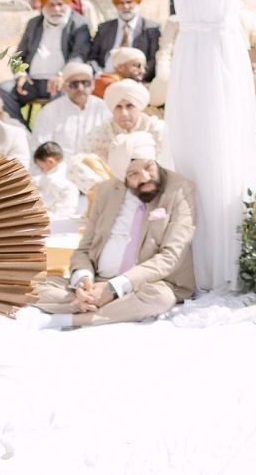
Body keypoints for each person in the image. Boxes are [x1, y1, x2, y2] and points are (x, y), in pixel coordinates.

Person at [29, 134, 197, 329]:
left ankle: (69, 319)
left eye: (148, 167)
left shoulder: (180, 189)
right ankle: (97, 303)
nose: (144, 177)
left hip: (145, 284)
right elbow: (85, 248)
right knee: (29, 287)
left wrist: (115, 287)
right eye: (133, 174)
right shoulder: (107, 190)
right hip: (98, 281)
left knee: (160, 298)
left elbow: (171, 256)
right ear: (123, 178)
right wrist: (83, 280)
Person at [0, 0, 95, 123]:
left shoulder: (79, 24)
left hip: (62, 83)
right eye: (51, 5)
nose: (56, 9)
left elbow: (79, 55)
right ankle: (22, 131)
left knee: (68, 95)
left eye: (60, 4)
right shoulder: (34, 24)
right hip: (31, 82)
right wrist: (20, 75)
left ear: (67, 4)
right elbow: (18, 56)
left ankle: (51, 136)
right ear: (43, 6)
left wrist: (62, 75)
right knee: (2, 90)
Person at [28, 61, 113, 159]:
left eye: (86, 83)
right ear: (64, 87)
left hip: (96, 167)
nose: (80, 88)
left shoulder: (103, 108)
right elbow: (39, 146)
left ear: (93, 85)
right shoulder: (50, 111)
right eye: (74, 84)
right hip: (59, 169)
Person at [90, 0, 160, 81]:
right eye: (120, 3)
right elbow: (92, 57)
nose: (125, 6)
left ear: (137, 2)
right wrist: (99, 75)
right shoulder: (104, 28)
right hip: (106, 76)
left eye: (129, 2)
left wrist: (138, 77)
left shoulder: (151, 28)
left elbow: (154, 60)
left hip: (136, 79)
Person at [93, 78, 166, 163]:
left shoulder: (158, 129)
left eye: (129, 106)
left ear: (140, 107)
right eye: (118, 107)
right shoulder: (100, 133)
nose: (124, 113)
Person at [27, 140, 83, 222]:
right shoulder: (42, 178)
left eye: (41, 167)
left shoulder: (66, 184)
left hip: (55, 222)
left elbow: (64, 213)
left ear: (50, 161)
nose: (41, 171)